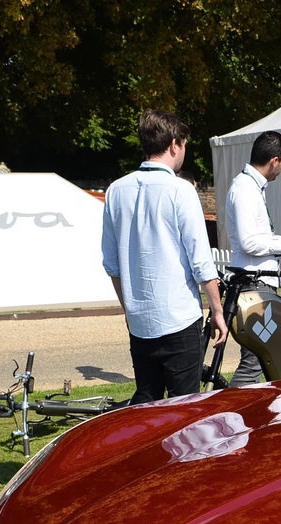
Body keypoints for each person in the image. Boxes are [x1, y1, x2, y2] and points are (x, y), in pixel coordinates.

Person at [101, 110, 226, 405]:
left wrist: (128, 307)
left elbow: (112, 264)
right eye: (183, 144)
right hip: (179, 318)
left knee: (147, 404)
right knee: (185, 407)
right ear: (174, 144)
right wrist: (217, 310)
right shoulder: (181, 190)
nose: (183, 151)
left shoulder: (116, 190)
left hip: (140, 319)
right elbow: (200, 261)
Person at [223, 129, 281, 385]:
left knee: (266, 358)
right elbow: (248, 241)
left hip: (259, 284)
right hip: (254, 285)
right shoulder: (245, 188)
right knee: (255, 361)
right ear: (274, 160)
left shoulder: (252, 186)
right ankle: (231, 412)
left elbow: (254, 238)